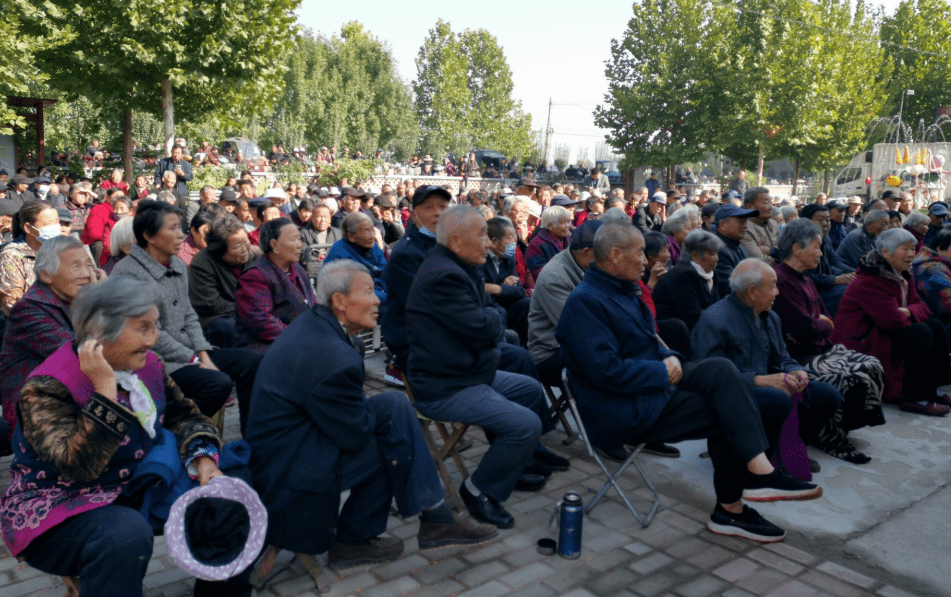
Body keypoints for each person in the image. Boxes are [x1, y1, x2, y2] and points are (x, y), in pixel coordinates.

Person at [557, 224, 820, 544]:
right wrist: (660, 370)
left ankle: (757, 473)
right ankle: (733, 506)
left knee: (730, 375)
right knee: (732, 410)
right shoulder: (585, 302)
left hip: (650, 390)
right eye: (641, 252)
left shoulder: (625, 290)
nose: (648, 260)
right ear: (615, 255)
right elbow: (605, 371)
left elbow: (652, 339)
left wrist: (669, 356)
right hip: (624, 410)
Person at [0, 276, 256, 597]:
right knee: (125, 534)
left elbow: (182, 414)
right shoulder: (46, 388)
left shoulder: (149, 364)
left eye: (156, 326)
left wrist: (202, 455)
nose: (154, 339)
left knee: (232, 485)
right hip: (61, 504)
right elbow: (78, 468)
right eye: (143, 328)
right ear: (98, 333)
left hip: (135, 483)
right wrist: (105, 393)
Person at [245, 260, 496, 568]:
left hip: (295, 442)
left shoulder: (316, 323)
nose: (378, 299)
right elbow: (355, 435)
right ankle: (354, 540)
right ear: (339, 302)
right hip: (285, 470)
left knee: (395, 405)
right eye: (368, 292)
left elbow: (348, 415)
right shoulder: (331, 355)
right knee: (390, 449)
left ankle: (435, 515)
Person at [405, 206, 551, 529]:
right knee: (527, 424)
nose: (489, 242)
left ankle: (509, 467)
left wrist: (492, 320)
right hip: (446, 386)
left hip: (470, 373)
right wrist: (493, 321)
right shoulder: (444, 275)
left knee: (529, 389)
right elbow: (487, 325)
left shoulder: (461, 265)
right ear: (456, 241)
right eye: (483, 234)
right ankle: (477, 489)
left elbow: (491, 314)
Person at [111, 201, 262, 433]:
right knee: (217, 384)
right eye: (173, 229)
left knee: (249, 362)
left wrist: (203, 353)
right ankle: (176, 432)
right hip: (155, 360)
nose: (181, 235)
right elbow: (149, 333)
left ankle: (252, 436)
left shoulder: (178, 265)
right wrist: (195, 360)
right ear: (149, 236)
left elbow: (189, 314)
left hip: (190, 353)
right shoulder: (129, 272)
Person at [693, 258, 845, 470]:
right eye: (773, 286)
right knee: (777, 399)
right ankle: (756, 458)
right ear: (753, 292)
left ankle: (788, 450)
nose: (778, 292)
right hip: (731, 394)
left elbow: (783, 357)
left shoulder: (770, 317)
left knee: (827, 395)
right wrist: (759, 381)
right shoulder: (714, 321)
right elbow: (709, 378)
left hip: (766, 386)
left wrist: (797, 371)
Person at [771, 220, 885, 463]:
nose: (821, 253)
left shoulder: (806, 279)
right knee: (844, 376)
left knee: (871, 365)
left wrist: (821, 324)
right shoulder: (781, 281)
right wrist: (820, 324)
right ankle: (826, 436)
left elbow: (825, 320)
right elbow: (806, 330)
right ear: (797, 249)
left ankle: (842, 426)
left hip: (822, 348)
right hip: (798, 356)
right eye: (816, 247)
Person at [832, 228, 951, 416]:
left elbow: (922, 307)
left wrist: (908, 311)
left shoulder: (901, 274)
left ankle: (930, 389)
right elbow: (892, 321)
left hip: (884, 331)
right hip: (865, 341)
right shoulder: (871, 279)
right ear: (886, 253)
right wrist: (911, 312)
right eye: (905, 249)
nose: (912, 254)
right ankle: (913, 397)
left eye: (913, 249)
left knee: (934, 325)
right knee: (920, 332)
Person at [0, 236, 102, 442]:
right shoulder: (28, 309)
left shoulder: (73, 300)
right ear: (46, 275)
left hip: (74, 392)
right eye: (76, 266)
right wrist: (99, 299)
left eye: (89, 266)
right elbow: (82, 354)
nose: (86, 274)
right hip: (39, 408)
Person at [528, 221, 603, 388]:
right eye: (605, 253)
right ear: (587, 253)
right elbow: (578, 329)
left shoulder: (590, 265)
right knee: (613, 370)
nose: (612, 259)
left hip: (583, 344)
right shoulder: (555, 277)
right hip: (552, 354)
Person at [235, 218, 315, 354]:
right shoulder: (255, 276)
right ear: (274, 245)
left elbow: (312, 304)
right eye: (293, 240)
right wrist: (300, 336)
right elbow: (261, 321)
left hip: (300, 337)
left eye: (299, 239)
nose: (299, 245)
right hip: (269, 345)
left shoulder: (298, 269)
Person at [188, 215, 258, 349]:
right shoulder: (201, 263)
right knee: (227, 328)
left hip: (254, 310)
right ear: (220, 250)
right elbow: (211, 304)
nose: (245, 250)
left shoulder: (256, 255)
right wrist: (248, 310)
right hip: (219, 317)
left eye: (246, 241)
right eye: (237, 246)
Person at [0, 201, 61, 317]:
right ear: (28, 227)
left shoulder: (58, 249)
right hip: (32, 326)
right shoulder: (12, 255)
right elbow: (12, 304)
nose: (55, 228)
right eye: (48, 224)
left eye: (57, 222)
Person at [653, 229, 723, 331]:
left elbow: (716, 305)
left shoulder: (711, 273)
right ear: (695, 255)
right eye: (712, 254)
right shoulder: (684, 274)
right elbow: (692, 314)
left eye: (717, 254)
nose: (717, 258)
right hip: (676, 329)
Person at [481, 217, 531, 347]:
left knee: (526, 303)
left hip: (506, 303)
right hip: (488, 307)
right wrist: (504, 288)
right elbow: (481, 288)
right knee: (498, 312)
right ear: (494, 242)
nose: (514, 242)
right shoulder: (480, 257)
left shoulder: (508, 257)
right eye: (509, 238)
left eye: (515, 237)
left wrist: (498, 288)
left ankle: (524, 346)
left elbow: (519, 290)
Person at [800, 203, 854, 316]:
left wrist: (856, 273)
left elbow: (836, 262)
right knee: (846, 292)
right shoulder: (800, 243)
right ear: (806, 221)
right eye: (820, 220)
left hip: (822, 285)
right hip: (806, 291)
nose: (825, 224)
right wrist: (835, 279)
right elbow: (805, 277)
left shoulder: (826, 239)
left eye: (828, 220)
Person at [324, 211, 387, 303]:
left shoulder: (374, 247)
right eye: (366, 231)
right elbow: (352, 291)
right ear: (351, 236)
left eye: (372, 230)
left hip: (377, 293)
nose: (372, 236)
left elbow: (385, 274)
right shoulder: (338, 254)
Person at [912, 229, 951, 337]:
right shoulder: (933, 269)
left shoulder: (937, 264)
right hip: (938, 325)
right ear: (940, 247)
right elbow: (947, 306)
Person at [712, 204, 757, 297]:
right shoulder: (715, 250)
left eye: (746, 221)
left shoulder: (739, 246)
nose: (745, 226)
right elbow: (731, 287)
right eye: (741, 221)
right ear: (722, 224)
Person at [82, 193, 132, 266]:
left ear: (130, 211)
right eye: (115, 208)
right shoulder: (109, 223)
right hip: (113, 256)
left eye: (122, 208)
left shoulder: (135, 224)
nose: (118, 212)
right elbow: (107, 244)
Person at [525, 205, 572, 280]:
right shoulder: (537, 244)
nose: (568, 226)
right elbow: (538, 272)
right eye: (563, 222)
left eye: (568, 221)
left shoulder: (569, 239)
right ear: (550, 226)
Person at [740, 188, 780, 266]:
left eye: (771, 203)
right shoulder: (743, 228)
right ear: (749, 206)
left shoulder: (773, 224)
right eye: (766, 203)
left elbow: (788, 249)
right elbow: (759, 261)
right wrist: (783, 260)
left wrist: (771, 250)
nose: (771, 207)